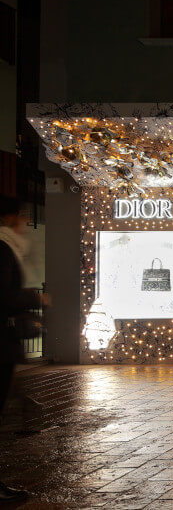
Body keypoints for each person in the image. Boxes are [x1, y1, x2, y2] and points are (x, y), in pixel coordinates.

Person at [0, 198, 48, 503]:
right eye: (20, 218)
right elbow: (4, 295)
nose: (24, 224)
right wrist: (34, 298)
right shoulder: (3, 249)